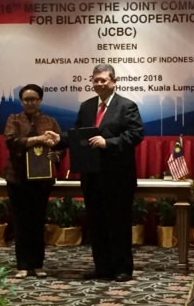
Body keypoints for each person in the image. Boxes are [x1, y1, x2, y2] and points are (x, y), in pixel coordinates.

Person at [46, 63, 145, 282]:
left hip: (118, 177)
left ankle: (122, 269)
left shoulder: (127, 106)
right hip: (92, 175)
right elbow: (78, 135)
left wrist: (107, 142)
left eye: (103, 80)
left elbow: (136, 135)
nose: (98, 84)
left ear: (113, 82)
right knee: (97, 223)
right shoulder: (87, 106)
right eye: (95, 80)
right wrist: (59, 140)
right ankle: (102, 267)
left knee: (118, 224)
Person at [3, 83, 63, 279]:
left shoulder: (50, 121)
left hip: (41, 181)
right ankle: (23, 265)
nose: (30, 102)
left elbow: (59, 145)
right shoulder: (14, 119)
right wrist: (38, 139)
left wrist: (56, 155)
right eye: (26, 99)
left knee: (37, 223)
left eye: (34, 99)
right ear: (21, 101)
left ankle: (37, 265)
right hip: (18, 179)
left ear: (40, 100)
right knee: (21, 223)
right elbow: (12, 142)